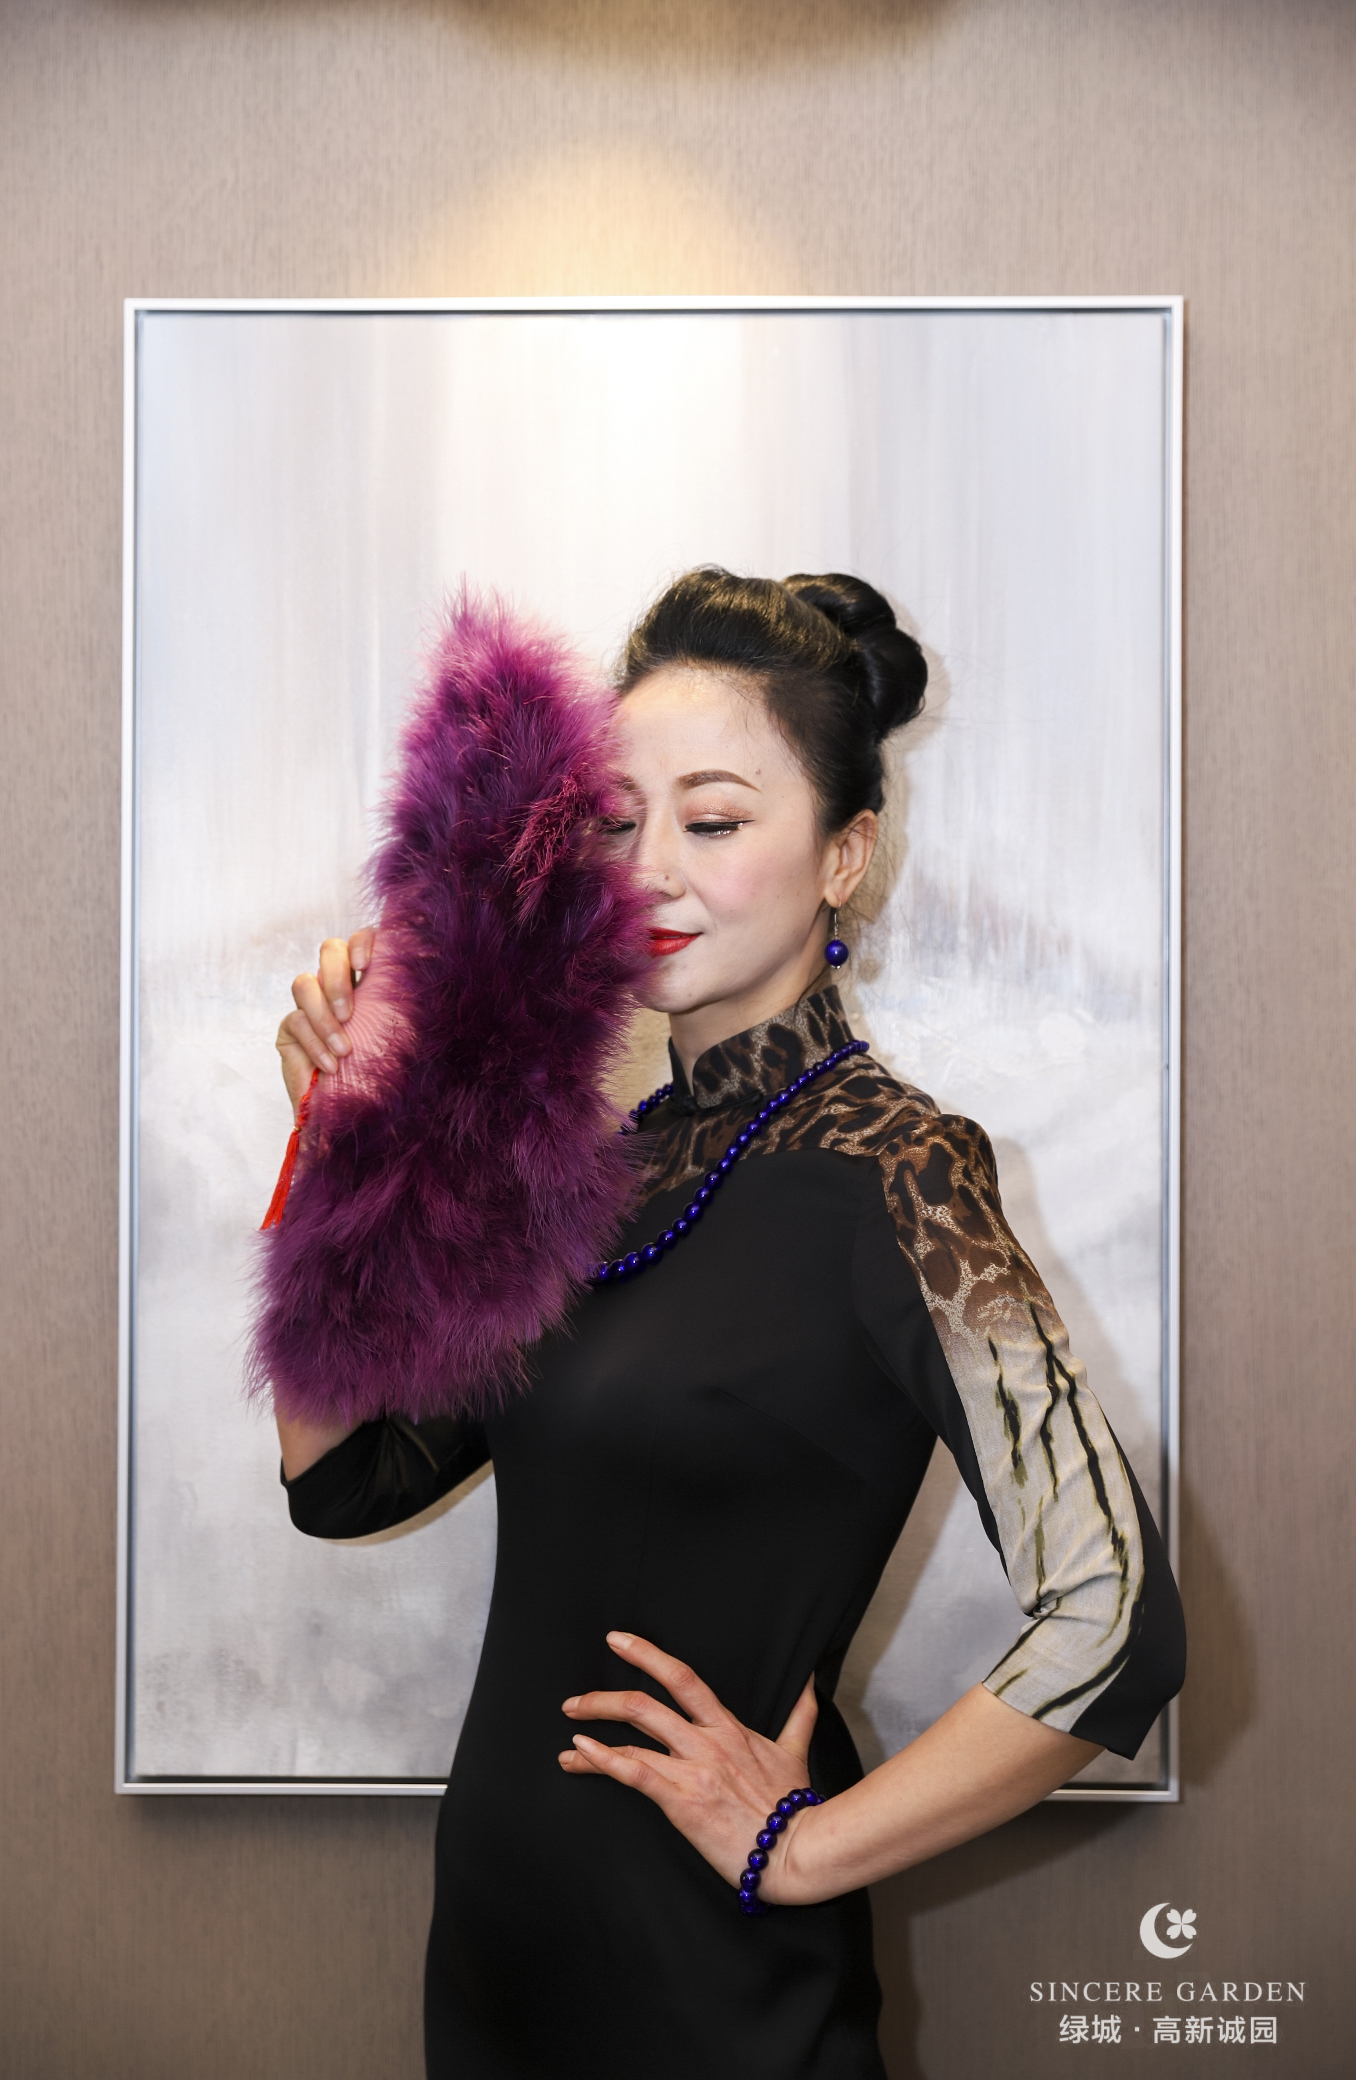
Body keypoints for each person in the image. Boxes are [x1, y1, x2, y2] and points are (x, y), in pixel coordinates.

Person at [272, 568, 1185, 2080]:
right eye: (615, 822)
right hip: (495, 1973)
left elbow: (1115, 1617)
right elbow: (341, 1477)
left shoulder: (903, 1174)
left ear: (845, 856)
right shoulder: (584, 1172)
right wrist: (346, 1129)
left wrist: (806, 1847)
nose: (649, 872)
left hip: (715, 1994)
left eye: (711, 821)